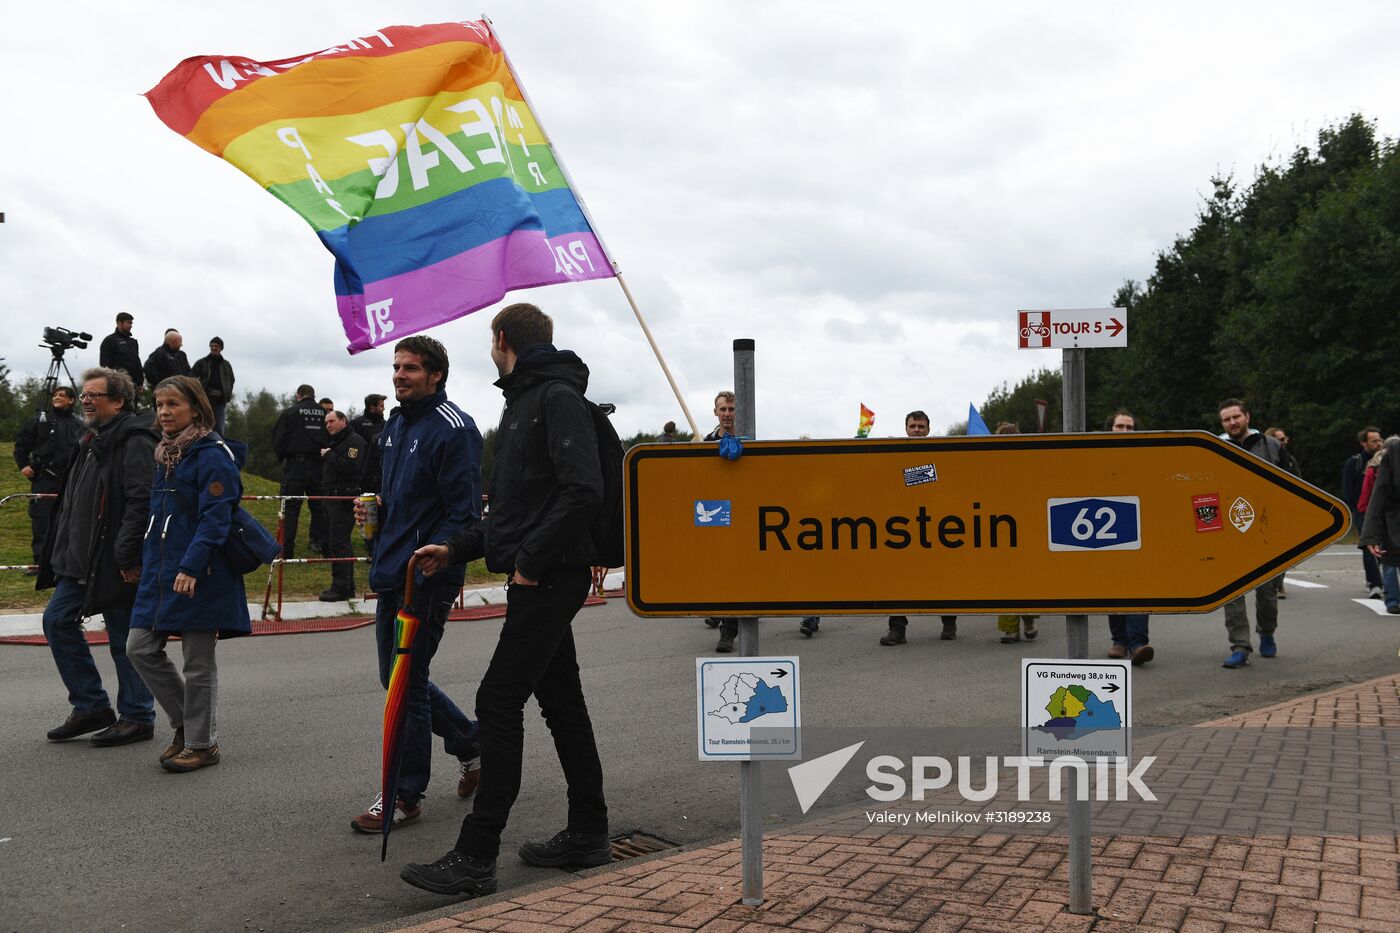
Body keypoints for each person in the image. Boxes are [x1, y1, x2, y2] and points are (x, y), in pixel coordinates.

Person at [400, 303, 609, 898]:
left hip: (549, 576)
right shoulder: (525, 399)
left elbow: (583, 491)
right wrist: (455, 547)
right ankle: (589, 833)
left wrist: (531, 564)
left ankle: (476, 854)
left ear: (500, 340)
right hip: (543, 571)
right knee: (561, 703)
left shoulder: (553, 398)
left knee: (497, 702)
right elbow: (514, 513)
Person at [347, 336, 481, 835]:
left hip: (427, 576)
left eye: (411, 368)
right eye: (397, 366)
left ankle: (404, 794)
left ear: (436, 375)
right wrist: (375, 513)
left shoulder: (456, 429)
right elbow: (397, 499)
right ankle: (470, 743)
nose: (400, 374)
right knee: (399, 677)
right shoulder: (393, 426)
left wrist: (442, 551)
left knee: (405, 679)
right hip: (390, 571)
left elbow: (464, 513)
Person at [127, 376, 249, 772]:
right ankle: (185, 724)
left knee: (198, 662)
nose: (163, 411)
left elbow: (216, 519)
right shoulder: (165, 453)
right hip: (160, 572)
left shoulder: (212, 453)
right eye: (159, 404)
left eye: (173, 404)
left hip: (202, 572)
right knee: (139, 648)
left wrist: (191, 566)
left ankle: (201, 743)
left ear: (195, 408)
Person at [36, 367, 157, 747]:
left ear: (118, 401)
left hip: (114, 561)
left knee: (123, 637)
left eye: (94, 395)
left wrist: (128, 555)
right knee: (57, 621)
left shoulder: (133, 440)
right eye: (83, 394)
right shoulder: (90, 438)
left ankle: (138, 716)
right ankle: (91, 707)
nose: (85, 400)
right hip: (79, 562)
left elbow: (140, 500)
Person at [1218, 399, 1290, 668]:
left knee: (1267, 592)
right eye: (1227, 419)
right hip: (1229, 533)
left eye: (1236, 417)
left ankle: (1267, 633)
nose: (1232, 422)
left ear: (1247, 416)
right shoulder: (1216, 448)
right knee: (1232, 593)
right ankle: (1239, 646)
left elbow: (1294, 487)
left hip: (1265, 532)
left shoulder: (1271, 446)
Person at [877, 411, 957, 645]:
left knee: (944, 577)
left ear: (929, 429)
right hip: (902, 528)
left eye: (921, 426)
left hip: (938, 527)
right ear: (906, 429)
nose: (917, 430)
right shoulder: (896, 455)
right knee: (898, 579)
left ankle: (949, 622)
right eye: (913, 426)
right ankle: (897, 629)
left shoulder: (941, 453)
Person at [14, 386, 83, 573]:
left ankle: (65, 560)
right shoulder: (40, 421)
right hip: (45, 478)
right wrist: (23, 465)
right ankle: (40, 563)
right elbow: (21, 444)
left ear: (72, 400)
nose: (57, 397)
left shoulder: (78, 424)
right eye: (55, 395)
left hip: (70, 479)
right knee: (41, 520)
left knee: (69, 519)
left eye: (62, 395)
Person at [1102, 409, 1153, 664]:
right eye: (1119, 426)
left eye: (1129, 427)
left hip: (1139, 532)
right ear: (1110, 429)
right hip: (1107, 534)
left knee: (1139, 586)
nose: (1124, 431)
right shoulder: (1097, 457)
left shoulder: (1144, 457)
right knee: (1114, 587)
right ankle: (1119, 640)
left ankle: (1138, 643)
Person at [703, 391, 752, 652]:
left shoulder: (750, 441)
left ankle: (728, 632)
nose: (727, 414)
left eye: (732, 409)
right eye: (723, 409)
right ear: (716, 412)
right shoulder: (706, 443)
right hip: (714, 515)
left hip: (742, 520)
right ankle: (718, 610)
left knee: (736, 574)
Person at [271, 385, 329, 559]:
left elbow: (278, 436)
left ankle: (286, 550)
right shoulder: (324, 413)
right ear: (313, 395)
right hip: (319, 466)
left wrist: (283, 458)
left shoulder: (291, 412)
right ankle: (319, 544)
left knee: (290, 508)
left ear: (298, 395)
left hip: (296, 466)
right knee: (319, 507)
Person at [992, 422, 1038, 644]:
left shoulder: (1027, 463)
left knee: (1025, 582)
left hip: (1025, 533)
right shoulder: (991, 466)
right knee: (1005, 583)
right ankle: (1010, 629)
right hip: (999, 531)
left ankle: (1029, 621)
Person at [319, 409, 365, 601]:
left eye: (332, 421)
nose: (328, 425)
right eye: (326, 422)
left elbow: (351, 467)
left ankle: (340, 588)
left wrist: (330, 455)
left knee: (338, 543)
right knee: (340, 543)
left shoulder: (354, 441)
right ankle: (347, 586)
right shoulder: (337, 442)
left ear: (343, 421)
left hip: (344, 499)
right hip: (332, 499)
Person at [1342, 426, 1386, 600]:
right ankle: (1374, 583)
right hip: (1363, 511)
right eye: (1374, 440)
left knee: (1385, 547)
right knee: (1369, 547)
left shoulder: (1386, 460)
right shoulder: (1355, 462)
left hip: (1383, 511)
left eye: (1379, 439)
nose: (1378, 443)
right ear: (1364, 443)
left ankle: (1385, 580)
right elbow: (1348, 489)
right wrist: (1357, 510)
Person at [1359, 436, 1400, 615]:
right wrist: (1370, 535)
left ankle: (1392, 600)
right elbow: (1378, 496)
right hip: (1392, 523)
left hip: (1390, 524)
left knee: (1390, 562)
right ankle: (1392, 600)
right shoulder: (1393, 456)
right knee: (1390, 561)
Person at [192, 336, 236, 435]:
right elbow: (191, 378)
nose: (213, 348)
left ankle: (218, 448)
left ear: (221, 348)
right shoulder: (201, 363)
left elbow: (231, 380)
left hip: (220, 401)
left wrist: (227, 394)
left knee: (219, 429)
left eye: (216, 346)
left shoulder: (226, 365)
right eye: (211, 345)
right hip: (204, 400)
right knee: (201, 427)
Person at [98, 313, 143, 397]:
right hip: (118, 384)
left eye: (131, 323)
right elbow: (105, 365)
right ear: (119, 323)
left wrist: (140, 383)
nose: (131, 325)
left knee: (132, 409)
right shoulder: (109, 340)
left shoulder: (133, 342)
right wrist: (112, 383)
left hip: (134, 385)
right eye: (128, 323)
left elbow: (137, 362)